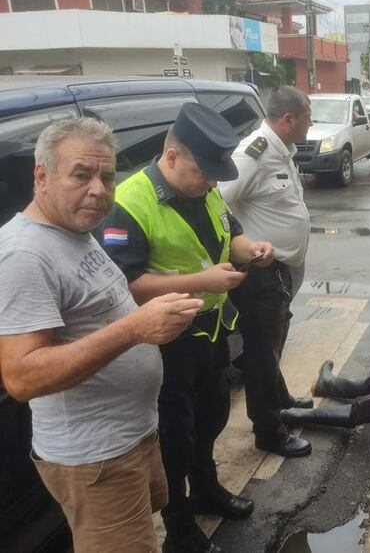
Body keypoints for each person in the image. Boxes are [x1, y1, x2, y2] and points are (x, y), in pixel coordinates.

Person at [0, 118, 204, 552]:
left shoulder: (73, 229)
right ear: (42, 175)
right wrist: (134, 330)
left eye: (107, 176)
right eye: (81, 174)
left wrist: (152, 323)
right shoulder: (23, 255)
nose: (98, 189)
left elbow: (98, 311)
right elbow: (22, 377)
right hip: (96, 459)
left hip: (131, 437)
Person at [99, 103, 273, 553]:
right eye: (204, 171)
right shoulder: (129, 203)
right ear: (172, 157)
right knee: (175, 435)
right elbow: (127, 285)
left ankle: (207, 491)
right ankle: (179, 525)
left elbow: (229, 230)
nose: (212, 182)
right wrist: (204, 281)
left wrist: (251, 249)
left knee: (212, 415)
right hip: (166, 345)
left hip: (211, 333)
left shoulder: (206, 188)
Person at [219, 86, 314, 459]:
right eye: (308, 117)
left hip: (279, 272)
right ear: (288, 119)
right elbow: (218, 199)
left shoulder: (281, 150)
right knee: (261, 352)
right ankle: (269, 430)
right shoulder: (253, 153)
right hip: (259, 272)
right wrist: (244, 244)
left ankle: (280, 397)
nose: (311, 123)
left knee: (275, 341)